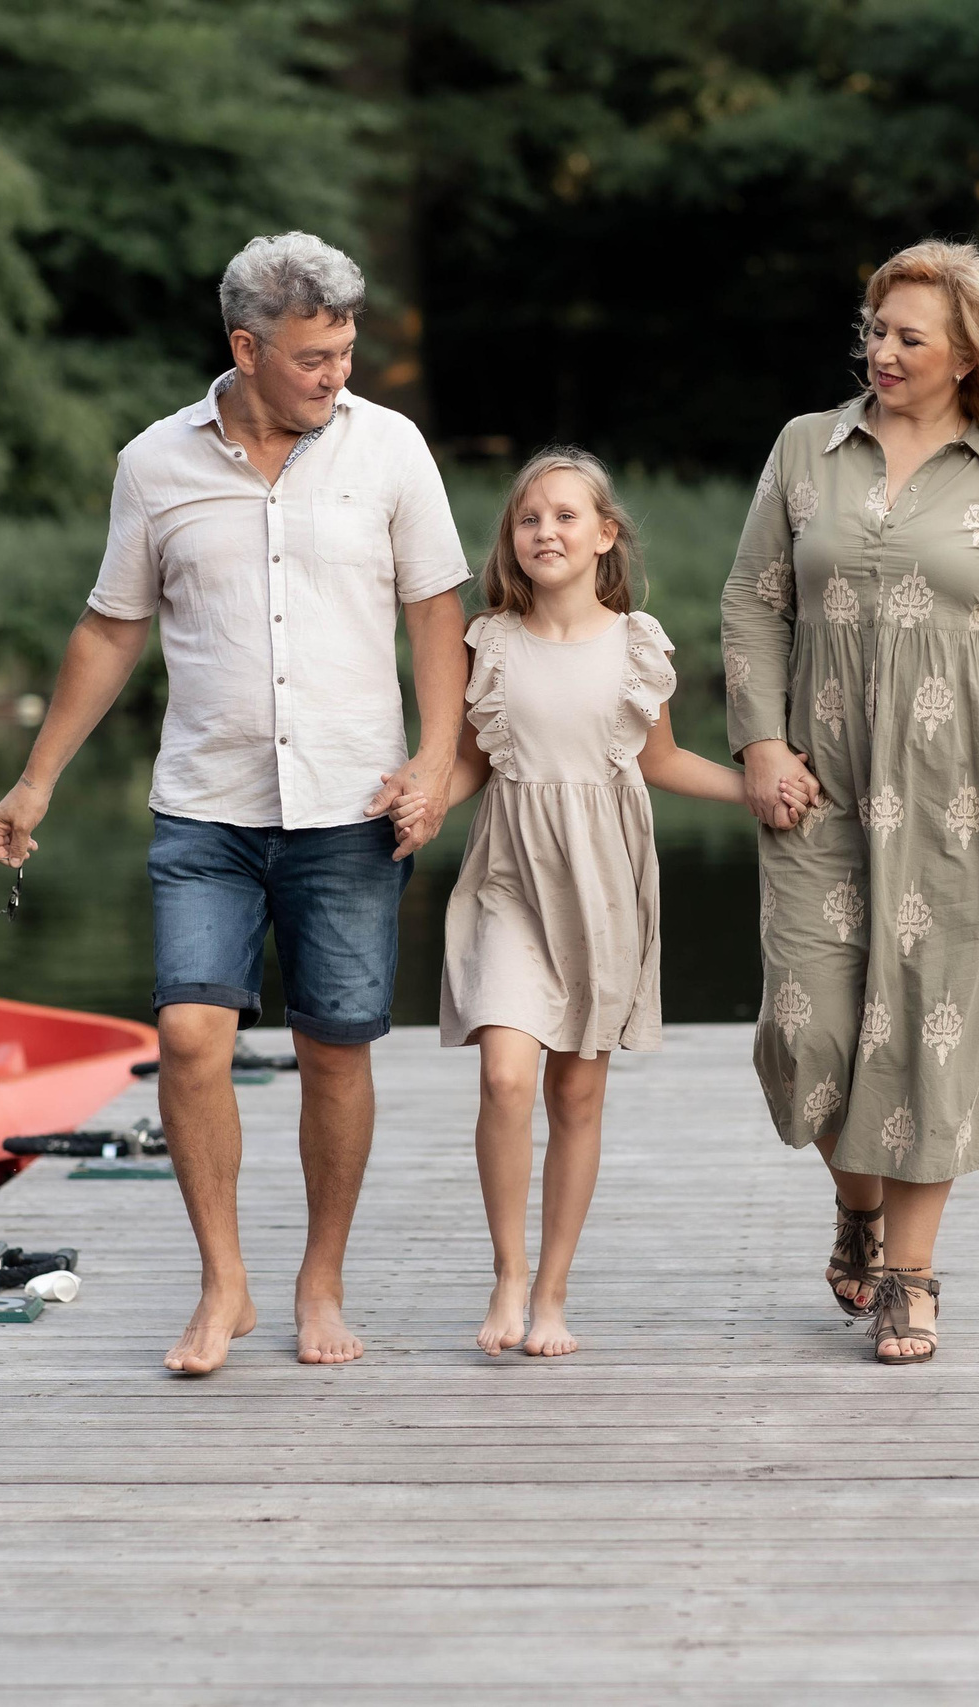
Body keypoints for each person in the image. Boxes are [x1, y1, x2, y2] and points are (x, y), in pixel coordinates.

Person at [0, 232, 472, 1375]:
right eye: (312, 357)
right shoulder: (156, 464)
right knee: (191, 1038)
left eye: (346, 352)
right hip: (206, 806)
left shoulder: (390, 450)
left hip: (352, 802)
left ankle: (320, 1279)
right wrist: (36, 775)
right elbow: (112, 630)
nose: (334, 375)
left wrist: (437, 761)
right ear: (245, 349)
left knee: (335, 1051)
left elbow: (437, 613)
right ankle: (225, 1286)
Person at [717, 238, 979, 1365]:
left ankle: (910, 1276)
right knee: (810, 1029)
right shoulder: (808, 448)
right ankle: (856, 1208)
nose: (883, 351)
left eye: (909, 336)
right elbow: (751, 604)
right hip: (819, 784)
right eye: (876, 330)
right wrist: (758, 741)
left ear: (967, 354)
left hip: (968, 799)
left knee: (931, 1033)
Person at [383, 449, 747, 1358]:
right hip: (511, 874)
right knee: (507, 1074)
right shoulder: (489, 641)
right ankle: (507, 1274)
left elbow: (658, 761)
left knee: (576, 1092)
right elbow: (472, 758)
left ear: (605, 535)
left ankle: (553, 1292)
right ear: (512, 539)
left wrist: (757, 790)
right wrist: (428, 799)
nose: (545, 530)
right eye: (528, 518)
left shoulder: (639, 642)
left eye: (565, 516)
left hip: (604, 881)